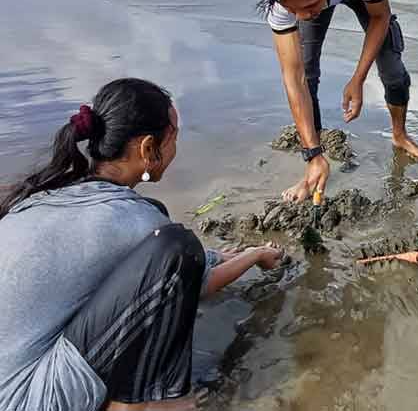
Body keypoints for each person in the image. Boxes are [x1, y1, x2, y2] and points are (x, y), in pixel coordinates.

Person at [0, 79, 285, 411]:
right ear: (149, 148)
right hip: (26, 400)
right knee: (178, 248)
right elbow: (197, 280)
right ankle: (146, 404)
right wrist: (255, 255)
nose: (176, 149)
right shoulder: (131, 220)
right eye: (174, 138)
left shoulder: (51, 193)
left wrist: (223, 254)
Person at [255, 0, 418, 205]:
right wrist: (312, 152)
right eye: (293, 9)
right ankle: (313, 166)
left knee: (391, 66)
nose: (303, 16)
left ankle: (399, 134)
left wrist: (358, 78)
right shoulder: (282, 2)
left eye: (310, 6)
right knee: (307, 72)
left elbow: (380, 17)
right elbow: (294, 78)